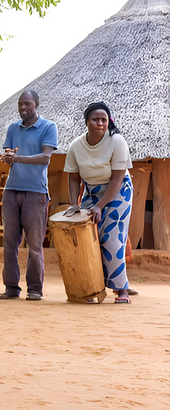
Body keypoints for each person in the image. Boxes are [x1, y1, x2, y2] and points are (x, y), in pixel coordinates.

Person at [63, 102, 133, 303]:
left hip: (119, 191)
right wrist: (75, 205)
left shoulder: (117, 141)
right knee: (86, 236)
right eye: (95, 119)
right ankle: (92, 286)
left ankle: (122, 290)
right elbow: (74, 178)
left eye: (104, 120)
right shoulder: (76, 146)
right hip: (91, 191)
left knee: (111, 237)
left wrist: (100, 206)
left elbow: (117, 178)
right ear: (87, 122)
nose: (100, 123)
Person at [0, 89, 58, 301]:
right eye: (21, 104)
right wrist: (8, 158)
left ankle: (35, 289)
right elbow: (9, 153)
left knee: (34, 244)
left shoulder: (49, 127)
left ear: (36, 104)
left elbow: (45, 158)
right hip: (12, 189)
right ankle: (11, 287)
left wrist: (17, 158)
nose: (23, 108)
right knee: (10, 242)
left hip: (37, 192)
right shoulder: (13, 128)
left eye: (28, 104)